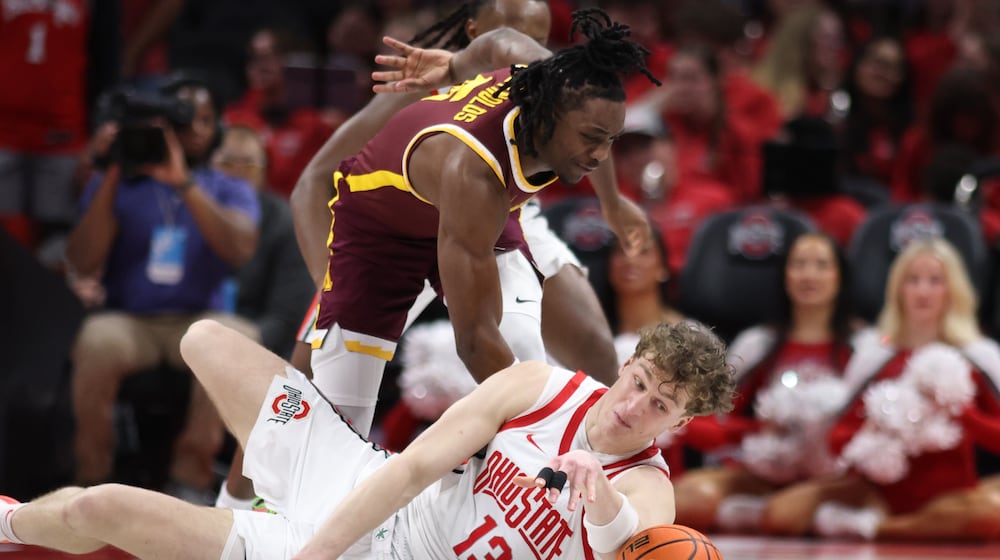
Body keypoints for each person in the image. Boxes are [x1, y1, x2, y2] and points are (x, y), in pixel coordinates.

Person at [0, 318, 736, 558]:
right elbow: (414, 467)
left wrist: (600, 496)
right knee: (203, 341)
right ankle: (6, 521)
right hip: (358, 489)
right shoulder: (540, 387)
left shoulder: (646, 487)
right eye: (639, 381)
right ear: (628, 365)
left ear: (681, 424)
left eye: (662, 403)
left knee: (95, 514)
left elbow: (626, 539)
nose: (637, 405)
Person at [295, 9, 658, 437]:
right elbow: (473, 340)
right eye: (591, 140)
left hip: (481, 217)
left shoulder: (553, 79)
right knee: (330, 418)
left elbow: (498, 40)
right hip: (382, 234)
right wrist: (534, 437)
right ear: (550, 117)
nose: (600, 155)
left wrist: (612, 203)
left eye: (609, 141)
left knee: (526, 354)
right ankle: (248, 495)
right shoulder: (474, 173)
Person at [63, 75, 260, 492]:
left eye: (208, 119)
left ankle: (191, 476)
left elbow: (241, 249)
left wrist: (183, 184)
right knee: (97, 340)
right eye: (186, 119)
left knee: (236, 338)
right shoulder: (117, 182)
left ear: (219, 129)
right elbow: (81, 261)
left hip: (197, 319)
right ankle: (92, 476)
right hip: (131, 322)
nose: (197, 129)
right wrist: (113, 168)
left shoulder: (228, 187)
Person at [761, 238, 1000, 540]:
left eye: (935, 281)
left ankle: (872, 527)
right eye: (913, 280)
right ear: (898, 289)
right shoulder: (874, 351)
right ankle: (900, 525)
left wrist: (962, 415)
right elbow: (838, 437)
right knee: (780, 514)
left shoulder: (978, 354)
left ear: (953, 289)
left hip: (950, 496)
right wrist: (872, 433)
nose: (923, 291)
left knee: (987, 515)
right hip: (875, 491)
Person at [673, 232, 856, 533]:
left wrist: (823, 433)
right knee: (685, 498)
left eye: (822, 265)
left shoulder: (863, 347)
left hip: (833, 478)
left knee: (783, 516)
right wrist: (761, 432)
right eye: (799, 264)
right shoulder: (758, 343)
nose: (809, 274)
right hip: (763, 475)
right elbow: (713, 419)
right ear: (784, 275)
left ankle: (763, 515)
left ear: (840, 277)